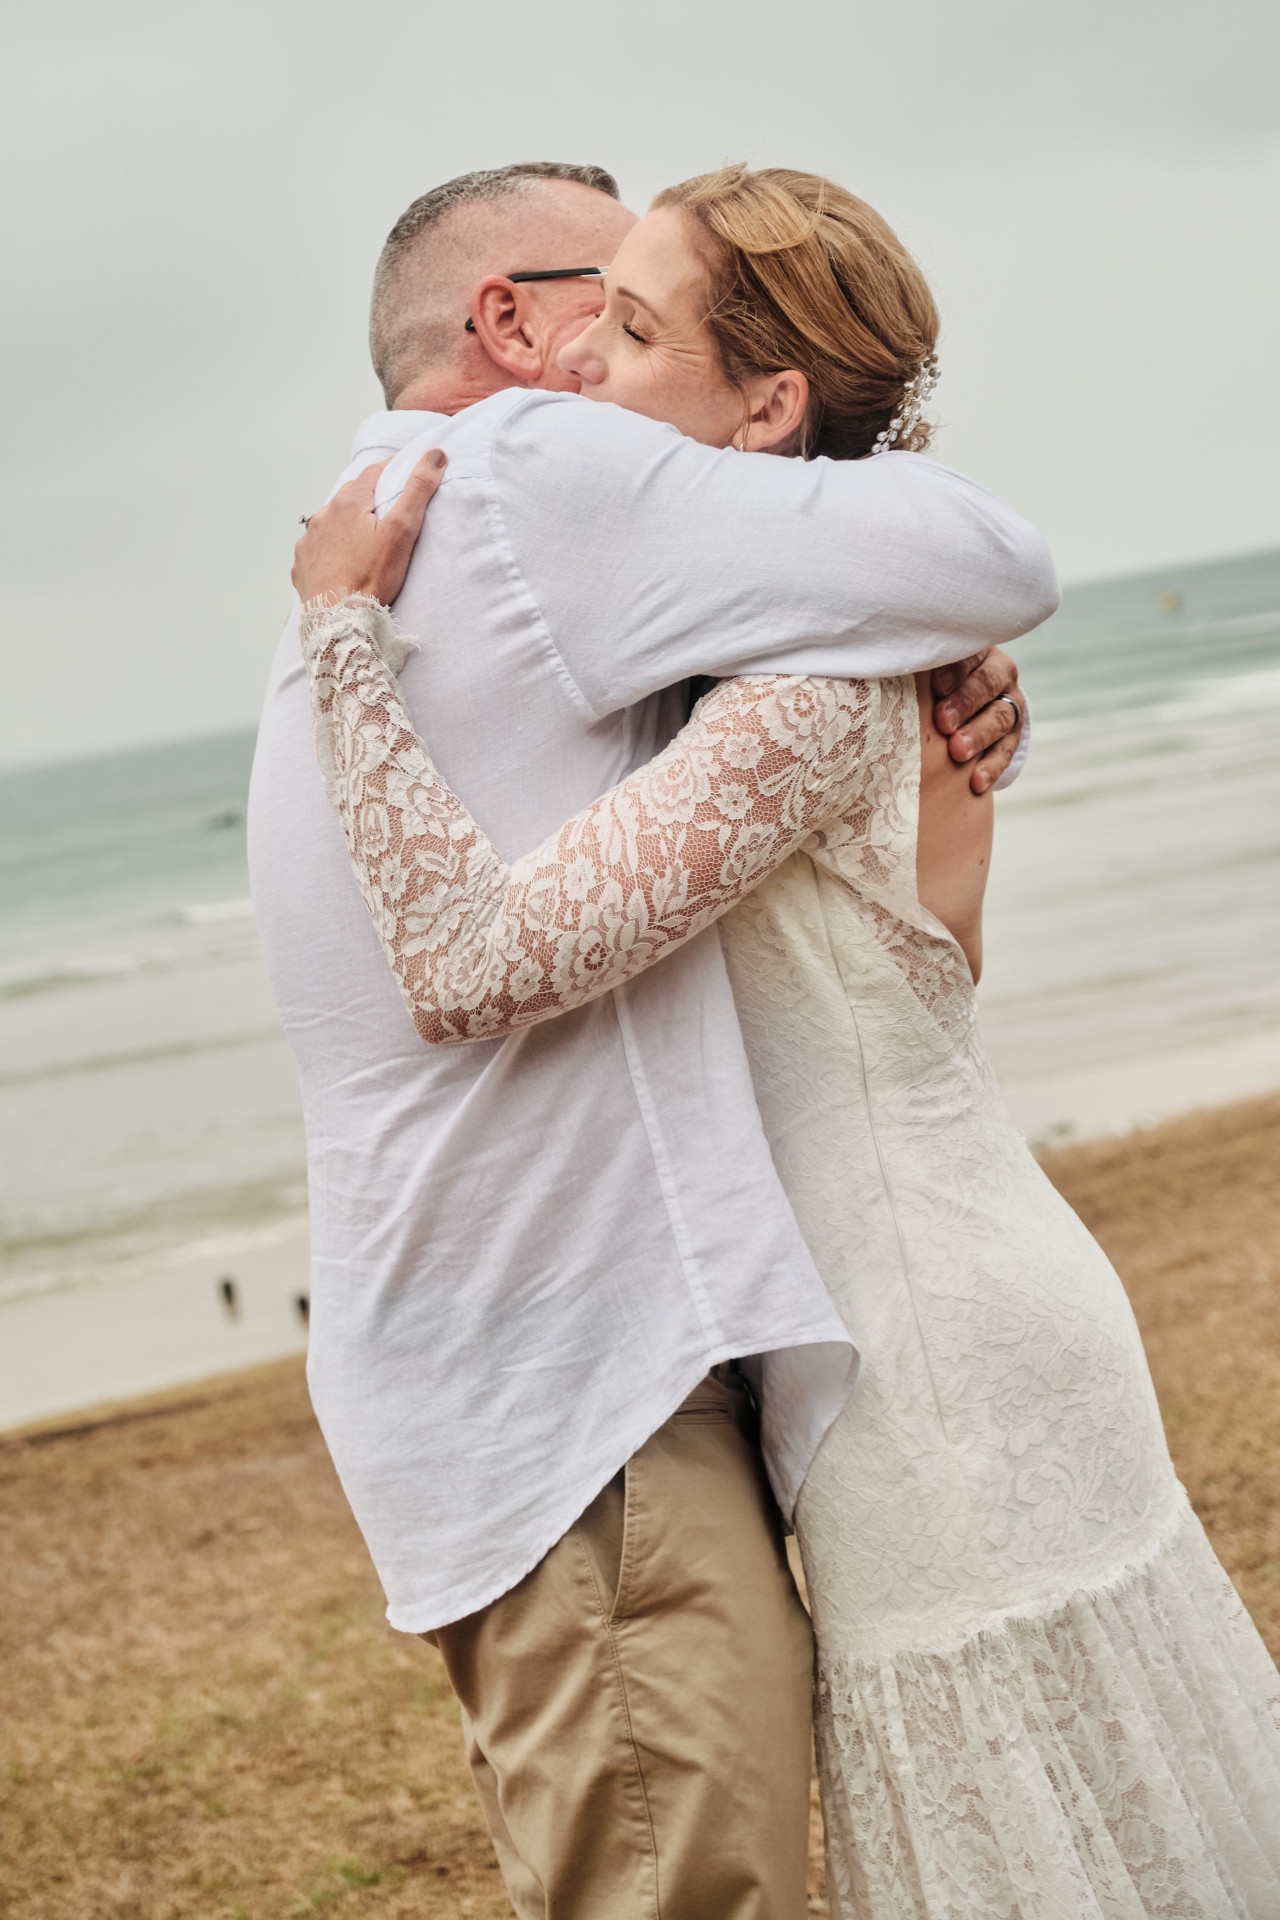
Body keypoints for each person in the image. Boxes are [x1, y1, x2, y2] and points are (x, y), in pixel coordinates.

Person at [291, 166, 1280, 1917]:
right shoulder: (804, 650)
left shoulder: (803, 697)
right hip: (949, 1299)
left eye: (634, 329)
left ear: (766, 411)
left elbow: (472, 956)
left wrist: (341, 640)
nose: (585, 366)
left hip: (929, 1360)